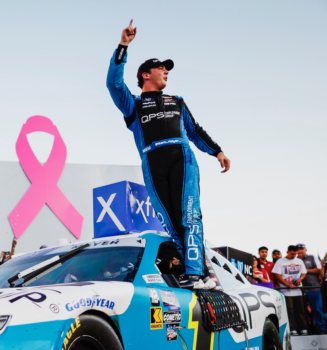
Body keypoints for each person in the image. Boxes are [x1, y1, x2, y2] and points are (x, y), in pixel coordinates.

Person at [105, 20, 230, 289]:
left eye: (167, 68)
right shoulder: (134, 105)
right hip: (152, 161)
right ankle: (192, 274)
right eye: (160, 67)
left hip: (181, 157)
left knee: (189, 216)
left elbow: (195, 131)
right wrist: (123, 46)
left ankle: (196, 273)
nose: (166, 71)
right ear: (145, 75)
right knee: (170, 222)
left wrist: (216, 151)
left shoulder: (177, 101)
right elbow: (113, 84)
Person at [272, 245, 308, 335]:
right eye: (292, 254)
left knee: (300, 310)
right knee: (290, 310)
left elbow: (304, 273)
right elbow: (277, 275)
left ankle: (303, 328)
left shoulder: (299, 261)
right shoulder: (280, 261)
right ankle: (292, 328)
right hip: (286, 291)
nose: (293, 256)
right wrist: (287, 284)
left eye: (295, 254)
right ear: (287, 252)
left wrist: (301, 279)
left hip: (298, 290)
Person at [297, 243, 327, 334]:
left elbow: (319, 269)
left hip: (314, 288)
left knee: (317, 309)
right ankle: (306, 329)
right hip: (299, 290)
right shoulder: (294, 260)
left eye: (302, 249)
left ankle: (321, 329)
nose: (300, 250)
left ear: (306, 250)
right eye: (298, 249)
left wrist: (304, 271)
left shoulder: (312, 257)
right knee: (301, 311)